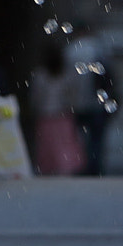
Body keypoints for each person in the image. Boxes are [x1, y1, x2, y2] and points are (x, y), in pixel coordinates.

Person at [67, 23, 120, 175]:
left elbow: (68, 80)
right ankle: (94, 167)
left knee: (79, 137)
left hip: (77, 103)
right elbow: (109, 75)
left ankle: (81, 165)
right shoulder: (99, 48)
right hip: (97, 102)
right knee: (97, 138)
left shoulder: (70, 51)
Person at [29, 40, 86, 176]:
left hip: (46, 115)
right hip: (62, 115)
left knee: (48, 145)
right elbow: (73, 95)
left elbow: (36, 97)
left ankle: (50, 167)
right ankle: (65, 167)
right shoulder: (66, 75)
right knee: (64, 144)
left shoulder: (40, 76)